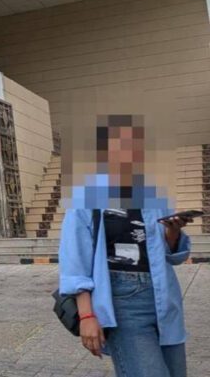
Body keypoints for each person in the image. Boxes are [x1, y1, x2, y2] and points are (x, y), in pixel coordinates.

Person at [58, 114, 193, 377]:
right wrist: (86, 316)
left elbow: (170, 255)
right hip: (121, 302)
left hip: (165, 299)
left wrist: (173, 233)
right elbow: (75, 258)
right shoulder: (86, 197)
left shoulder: (153, 195)